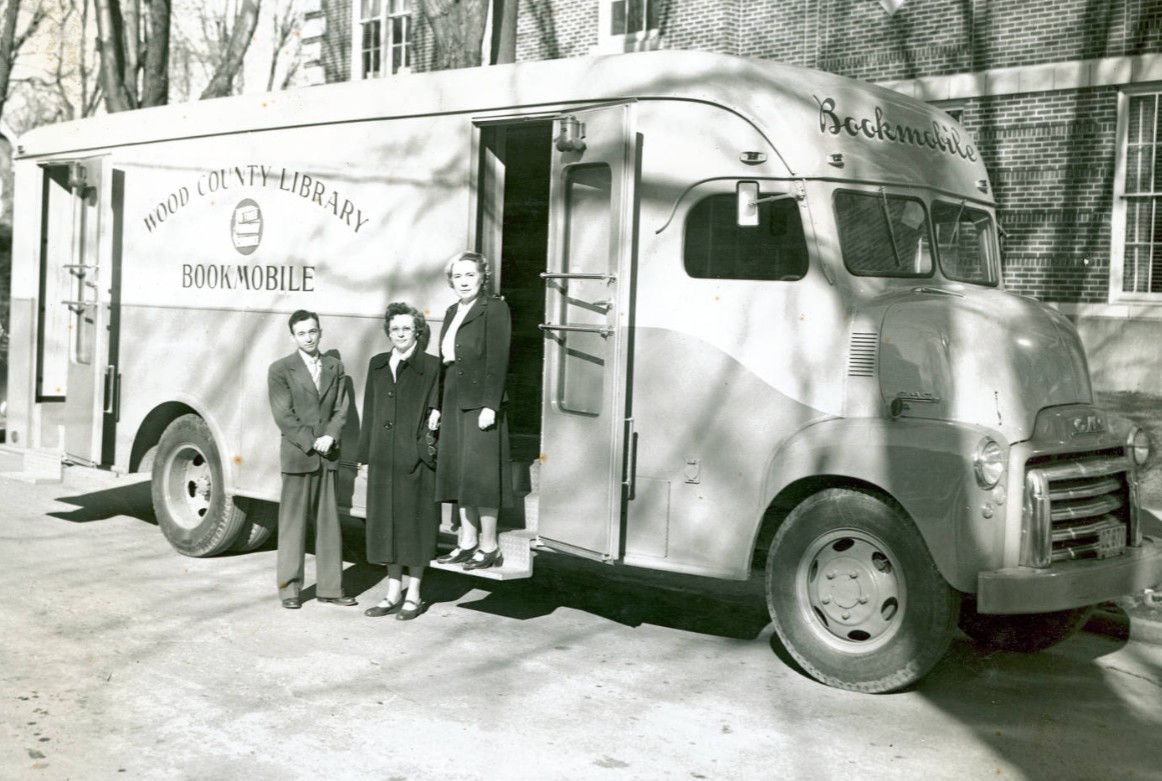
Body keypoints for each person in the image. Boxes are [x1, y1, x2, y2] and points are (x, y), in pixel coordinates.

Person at [357, 303, 442, 621]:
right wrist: (364, 457)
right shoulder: (378, 364)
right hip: (382, 459)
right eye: (395, 329)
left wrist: (421, 449)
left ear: (417, 330)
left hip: (414, 461)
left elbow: (437, 413)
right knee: (387, 526)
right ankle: (393, 592)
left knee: (414, 528)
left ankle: (415, 594)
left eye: (407, 328)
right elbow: (369, 413)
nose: (401, 334)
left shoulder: (432, 367)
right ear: (388, 332)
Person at [267, 309, 356, 609]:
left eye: (313, 331)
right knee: (292, 526)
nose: (308, 337)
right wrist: (311, 441)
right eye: (302, 333)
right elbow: (283, 415)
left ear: (320, 332)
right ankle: (290, 590)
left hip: (327, 455)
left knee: (329, 525)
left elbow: (341, 409)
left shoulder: (335, 367)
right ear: (293, 337)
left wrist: (330, 436)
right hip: (298, 455)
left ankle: (331, 588)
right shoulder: (280, 369)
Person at [435, 251, 514, 571]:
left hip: (480, 401)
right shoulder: (452, 310)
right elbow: (445, 362)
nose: (463, 281)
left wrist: (490, 405)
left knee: (482, 476)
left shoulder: (494, 309)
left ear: (484, 276)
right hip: (454, 397)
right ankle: (466, 543)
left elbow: (498, 359)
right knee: (460, 473)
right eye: (457, 276)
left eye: (469, 275)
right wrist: (437, 406)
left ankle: (489, 545)